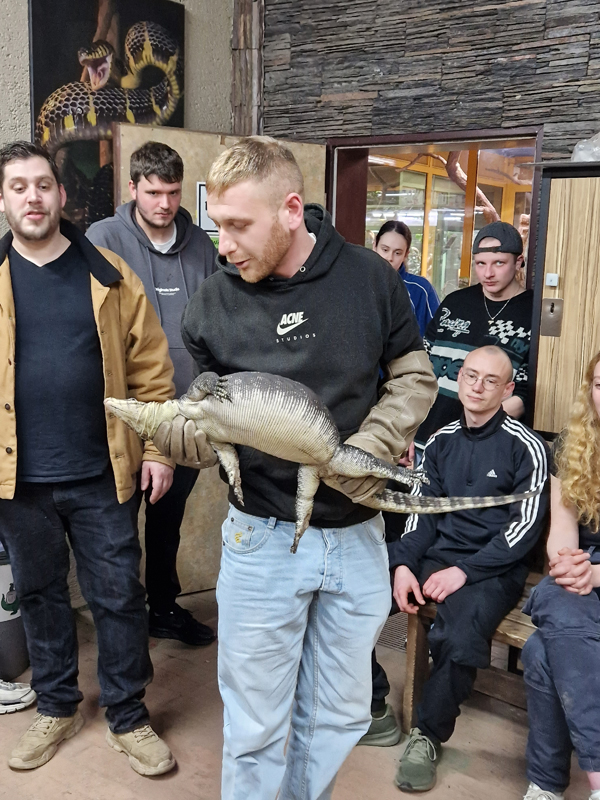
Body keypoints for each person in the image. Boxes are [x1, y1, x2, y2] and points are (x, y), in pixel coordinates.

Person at [153, 135, 438, 800]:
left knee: (338, 715)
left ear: (289, 210)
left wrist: (368, 446)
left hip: (359, 536)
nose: (222, 244)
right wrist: (172, 436)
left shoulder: (371, 278)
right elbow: (206, 419)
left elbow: (413, 374)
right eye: (217, 224)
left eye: (237, 225)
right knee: (255, 727)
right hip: (261, 539)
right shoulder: (212, 305)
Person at [0, 141, 176, 775]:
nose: (33, 197)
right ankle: (57, 706)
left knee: (119, 597)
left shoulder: (106, 272)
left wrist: (156, 447)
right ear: (3, 199)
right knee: (42, 595)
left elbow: (153, 370)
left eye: (43, 185)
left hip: (104, 472)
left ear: (62, 195)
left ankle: (128, 716)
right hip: (19, 481)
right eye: (18, 186)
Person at [389, 346, 549, 793]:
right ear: (458, 378)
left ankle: (427, 735)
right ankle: (371, 706)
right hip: (438, 555)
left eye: (490, 381)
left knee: (459, 636)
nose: (477, 387)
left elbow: (524, 531)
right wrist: (403, 564)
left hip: (495, 567)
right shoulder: (440, 441)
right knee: (350, 587)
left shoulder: (527, 447)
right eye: (470, 376)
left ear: (507, 389)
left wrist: (465, 571)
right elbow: (422, 517)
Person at [87, 141, 217, 647]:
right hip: (122, 420)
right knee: (117, 531)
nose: (165, 203)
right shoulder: (104, 239)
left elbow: (214, 323)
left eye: (173, 192)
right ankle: (121, 628)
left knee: (168, 524)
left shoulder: (202, 245)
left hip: (182, 418)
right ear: (133, 188)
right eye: (154, 192)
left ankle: (163, 607)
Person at [521, 352, 600, 800]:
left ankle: (549, 782)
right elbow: (561, 537)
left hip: (594, 576)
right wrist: (573, 566)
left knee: (540, 652)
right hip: (581, 572)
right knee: (555, 596)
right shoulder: (574, 444)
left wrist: (594, 574)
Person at [416, 221, 533, 453]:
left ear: (519, 262)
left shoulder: (533, 314)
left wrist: (462, 432)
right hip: (424, 442)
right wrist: (407, 430)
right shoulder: (454, 303)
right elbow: (420, 373)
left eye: (499, 263)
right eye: (481, 264)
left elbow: (524, 395)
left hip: (484, 449)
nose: (488, 273)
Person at [374, 220, 439, 337]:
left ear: (406, 255)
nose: (389, 258)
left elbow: (438, 333)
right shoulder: (359, 284)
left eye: (397, 253)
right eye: (385, 250)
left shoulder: (420, 289)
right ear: (375, 246)